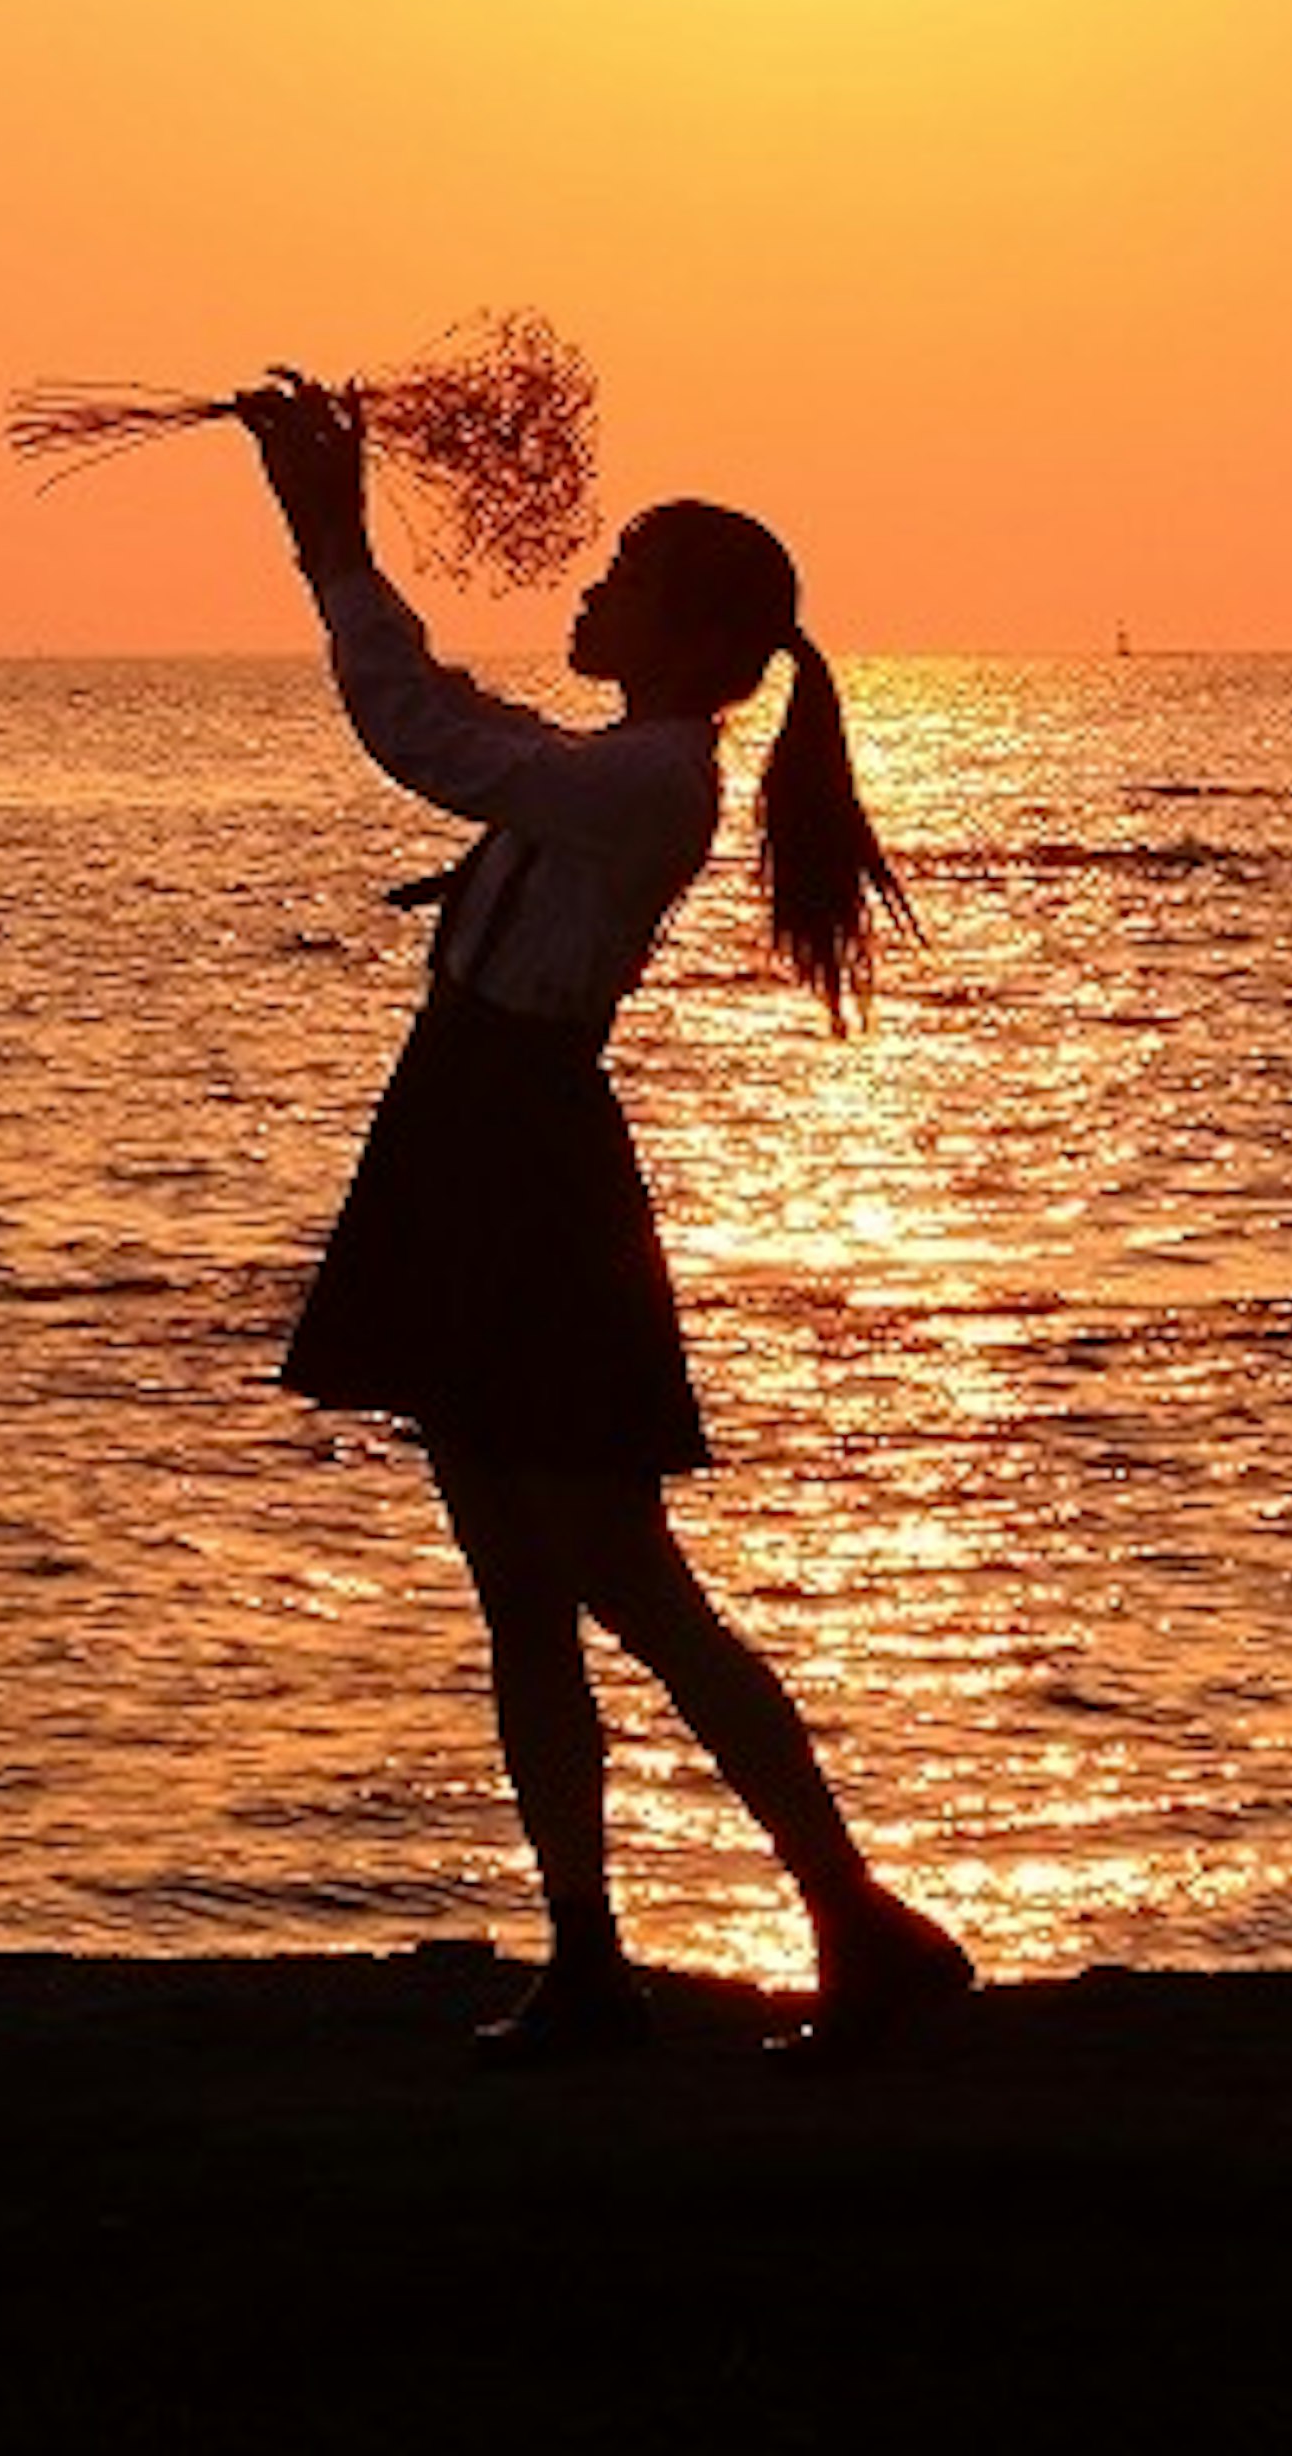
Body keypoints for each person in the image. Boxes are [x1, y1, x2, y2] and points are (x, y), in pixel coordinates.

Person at [236, 366, 974, 2063]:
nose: (589, 583)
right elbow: (476, 746)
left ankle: (854, 1915)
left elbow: (427, 736)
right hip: (468, 1149)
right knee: (518, 1590)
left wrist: (334, 541)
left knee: (626, 1582)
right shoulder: (610, 765)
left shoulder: (654, 779)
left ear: (700, 641)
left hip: (520, 1169)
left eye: (624, 569)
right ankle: (587, 1955)